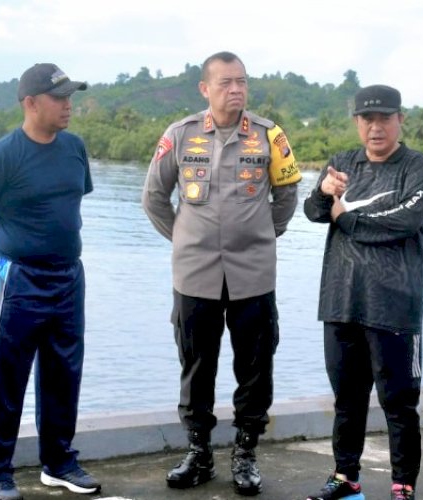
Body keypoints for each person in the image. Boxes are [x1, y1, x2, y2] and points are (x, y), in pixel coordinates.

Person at [141, 51, 301, 495]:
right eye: (227, 82)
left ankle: (246, 452)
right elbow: (154, 197)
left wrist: (266, 234)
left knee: (255, 366)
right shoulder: (180, 135)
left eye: (242, 82)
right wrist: (185, 240)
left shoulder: (270, 135)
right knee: (196, 364)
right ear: (205, 89)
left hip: (254, 274)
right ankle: (199, 452)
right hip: (194, 275)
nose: (236, 90)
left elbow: (287, 192)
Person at [0, 63, 101, 500]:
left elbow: (67, 208)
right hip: (16, 279)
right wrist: (11, 259)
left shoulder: (74, 148)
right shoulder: (2, 155)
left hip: (68, 276)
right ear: (30, 103)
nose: (68, 106)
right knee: (4, 374)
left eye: (70, 97)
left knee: (64, 372)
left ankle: (59, 463)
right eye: (59, 98)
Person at [303, 84, 423, 500]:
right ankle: (346, 479)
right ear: (357, 122)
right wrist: (325, 195)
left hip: (396, 305)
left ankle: (403, 486)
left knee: (399, 402)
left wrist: (348, 219)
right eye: (367, 119)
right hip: (342, 301)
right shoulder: (343, 163)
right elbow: (312, 212)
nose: (375, 127)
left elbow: (404, 221)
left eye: (384, 118)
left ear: (400, 120)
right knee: (347, 398)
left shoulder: (416, 167)